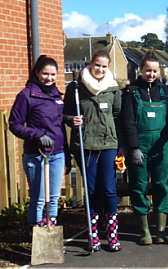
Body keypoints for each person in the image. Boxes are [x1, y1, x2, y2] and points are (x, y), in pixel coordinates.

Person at [63, 50, 123, 251]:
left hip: (108, 145)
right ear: (90, 64)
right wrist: (72, 120)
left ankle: (112, 235)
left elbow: (117, 116)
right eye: (97, 65)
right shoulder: (76, 87)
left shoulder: (113, 89)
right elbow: (65, 114)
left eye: (104, 66)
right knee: (91, 191)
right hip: (86, 145)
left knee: (108, 189)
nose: (100, 69)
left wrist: (120, 143)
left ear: (108, 68)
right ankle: (93, 234)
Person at [121, 50, 168, 245]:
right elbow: (128, 122)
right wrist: (134, 148)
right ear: (141, 69)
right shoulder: (131, 92)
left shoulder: (165, 92)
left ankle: (161, 231)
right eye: (148, 70)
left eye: (155, 71)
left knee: (162, 186)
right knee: (138, 187)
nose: (151, 75)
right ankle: (144, 231)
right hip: (140, 147)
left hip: (162, 146)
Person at [9, 55, 65, 229]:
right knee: (39, 198)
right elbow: (14, 124)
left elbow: (59, 125)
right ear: (37, 73)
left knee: (54, 197)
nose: (49, 78)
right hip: (37, 155)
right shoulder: (27, 95)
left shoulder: (57, 96)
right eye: (45, 74)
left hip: (57, 154)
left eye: (53, 74)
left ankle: (50, 235)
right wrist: (38, 135)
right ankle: (37, 236)